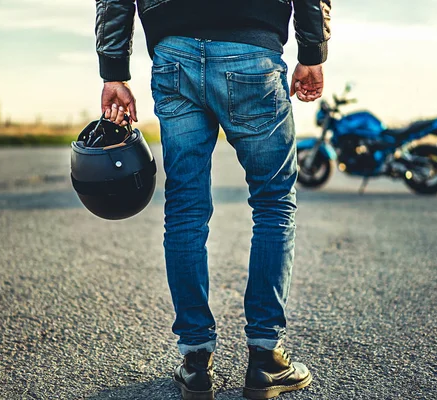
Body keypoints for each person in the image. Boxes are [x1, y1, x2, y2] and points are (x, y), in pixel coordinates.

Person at [95, 0, 331, 398]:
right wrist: (312, 51)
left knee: (185, 208)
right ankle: (265, 358)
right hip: (251, 49)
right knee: (274, 203)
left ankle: (195, 361)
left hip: (174, 55)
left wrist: (113, 70)